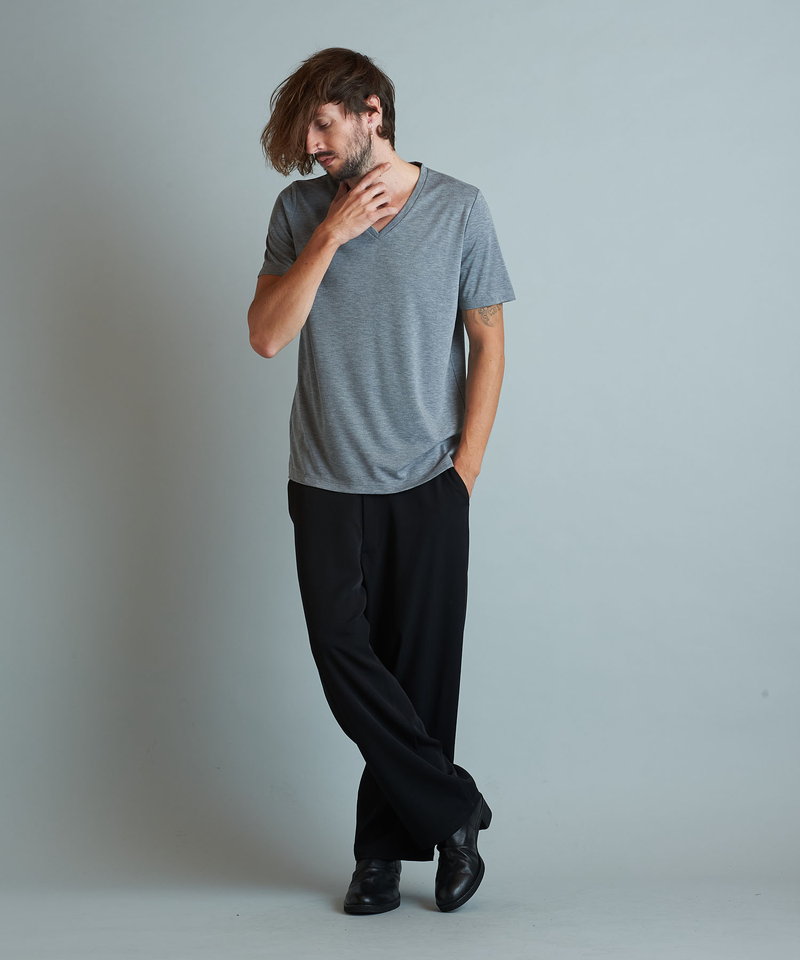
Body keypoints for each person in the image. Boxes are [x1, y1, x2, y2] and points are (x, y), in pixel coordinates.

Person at [247, 47, 516, 914]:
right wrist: (331, 235)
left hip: (428, 480)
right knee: (344, 655)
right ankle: (455, 812)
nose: (312, 146)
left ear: (372, 111)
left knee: (418, 672)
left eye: (323, 125)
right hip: (327, 479)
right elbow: (266, 336)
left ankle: (379, 860)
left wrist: (465, 469)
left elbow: (488, 340)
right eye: (304, 133)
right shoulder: (299, 211)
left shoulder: (459, 209)